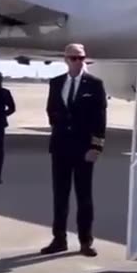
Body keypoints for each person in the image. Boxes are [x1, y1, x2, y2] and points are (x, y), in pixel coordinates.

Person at [41, 43, 107, 257]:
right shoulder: (56, 83)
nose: (78, 62)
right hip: (60, 147)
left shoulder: (95, 84)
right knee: (60, 197)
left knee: (84, 197)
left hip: (83, 149)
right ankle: (59, 239)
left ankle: (86, 241)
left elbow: (100, 118)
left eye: (81, 58)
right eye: (74, 58)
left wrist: (96, 146)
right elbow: (51, 109)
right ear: (66, 59)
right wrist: (61, 125)